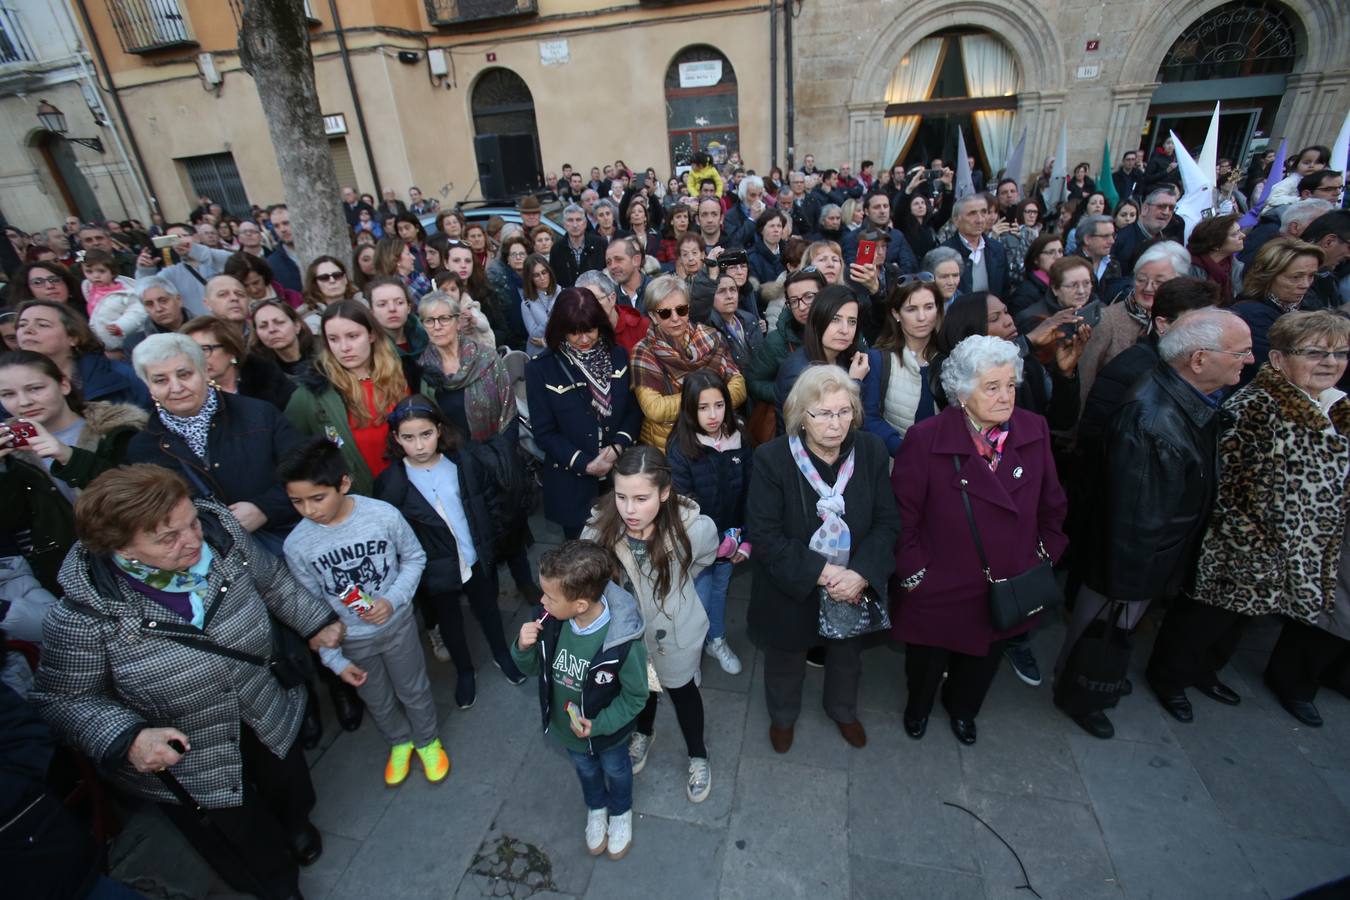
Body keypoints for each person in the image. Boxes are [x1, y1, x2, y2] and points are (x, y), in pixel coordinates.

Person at [31, 464, 342, 900]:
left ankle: (296, 825)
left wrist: (314, 621)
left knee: (287, 780)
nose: (193, 540)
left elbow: (272, 582)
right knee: (238, 832)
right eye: (167, 538)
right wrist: (129, 738)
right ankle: (277, 884)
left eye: (191, 522)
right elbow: (62, 700)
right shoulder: (84, 615)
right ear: (120, 547)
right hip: (191, 752)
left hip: (262, 702)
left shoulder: (220, 532)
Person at [893, 335, 1067, 744]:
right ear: (962, 393)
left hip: (1007, 581)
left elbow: (1053, 503)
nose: (1006, 396)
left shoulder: (1033, 429)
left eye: (1010, 384)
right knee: (926, 659)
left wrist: (1043, 554)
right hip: (940, 583)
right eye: (992, 387)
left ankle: (962, 711)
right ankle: (917, 708)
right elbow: (903, 516)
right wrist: (915, 573)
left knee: (983, 657)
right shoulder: (926, 437)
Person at [1186, 311, 1350, 728]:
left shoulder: (1337, 405)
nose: (1329, 362)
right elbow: (1235, 490)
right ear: (1277, 359)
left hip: (1298, 552)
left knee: (1237, 626)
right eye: (1315, 353)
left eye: (1339, 353)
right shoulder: (1255, 406)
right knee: (1206, 623)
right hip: (1249, 549)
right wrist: (1259, 548)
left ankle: (1204, 672)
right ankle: (1172, 678)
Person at [279, 438, 448, 786]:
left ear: (343, 483)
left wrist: (394, 599)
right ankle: (399, 741)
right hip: (352, 641)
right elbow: (311, 610)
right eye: (297, 502)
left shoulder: (382, 515)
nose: (309, 510)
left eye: (317, 498)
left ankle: (428, 739)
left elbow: (414, 558)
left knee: (413, 688)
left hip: (397, 625)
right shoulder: (296, 546)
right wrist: (335, 661)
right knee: (377, 697)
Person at [746, 365, 899, 751]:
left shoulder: (871, 451)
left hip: (853, 583)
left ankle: (843, 711)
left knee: (847, 656)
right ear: (800, 415)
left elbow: (887, 522)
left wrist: (860, 574)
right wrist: (825, 574)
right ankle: (783, 717)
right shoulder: (770, 459)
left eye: (844, 411)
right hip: (791, 584)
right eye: (824, 414)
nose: (836, 424)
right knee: (785, 659)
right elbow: (765, 536)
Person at [582, 446, 717, 803]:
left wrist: (678, 586)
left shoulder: (693, 528)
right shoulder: (601, 527)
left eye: (641, 498)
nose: (629, 509)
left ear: (665, 492)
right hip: (628, 636)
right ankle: (644, 733)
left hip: (674, 632)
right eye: (622, 496)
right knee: (641, 688)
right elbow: (584, 567)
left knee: (683, 693)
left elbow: (705, 556)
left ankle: (698, 755)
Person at [375, 397, 523, 705]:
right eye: (408, 437)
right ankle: (465, 672)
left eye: (426, 434)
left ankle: (501, 654)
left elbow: (488, 503)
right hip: (435, 568)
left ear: (439, 430)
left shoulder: (463, 462)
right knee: (450, 622)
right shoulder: (391, 483)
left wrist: (492, 542)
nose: (418, 445)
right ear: (395, 438)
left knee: (489, 610)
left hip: (474, 556)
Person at [511, 541, 648, 860]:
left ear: (581, 605)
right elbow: (533, 669)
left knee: (616, 770)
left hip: (608, 733)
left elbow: (635, 697)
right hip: (567, 731)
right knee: (586, 771)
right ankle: (596, 808)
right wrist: (522, 647)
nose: (541, 600)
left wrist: (599, 725)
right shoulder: (548, 621)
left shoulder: (622, 643)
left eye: (549, 596)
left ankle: (621, 811)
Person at [414, 292, 539, 602]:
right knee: (476, 528)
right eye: (430, 320)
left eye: (444, 318)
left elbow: (508, 409)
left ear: (458, 321)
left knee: (510, 524)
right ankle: (488, 593)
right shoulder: (423, 371)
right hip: (454, 466)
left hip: (496, 457)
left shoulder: (485, 359)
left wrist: (498, 456)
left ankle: (524, 581)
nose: (438, 325)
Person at [128, 332, 303, 549]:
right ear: (148, 386)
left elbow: (306, 472)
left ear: (204, 371)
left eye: (184, 374)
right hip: (213, 562)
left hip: (286, 544)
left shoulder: (258, 414)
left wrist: (264, 509)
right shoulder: (143, 448)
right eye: (160, 380)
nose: (176, 387)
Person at [0, 349, 147, 595]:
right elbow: (11, 522)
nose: (24, 402)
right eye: (8, 394)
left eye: (35, 388)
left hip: (136, 560)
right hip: (67, 577)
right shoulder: (11, 450)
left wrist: (66, 455)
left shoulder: (118, 430)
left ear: (64, 385)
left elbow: (139, 497)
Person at [525, 288, 641, 540]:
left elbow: (632, 412)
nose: (583, 338)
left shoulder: (618, 356)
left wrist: (617, 448)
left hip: (617, 478)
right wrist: (586, 463)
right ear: (560, 329)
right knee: (584, 560)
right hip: (573, 481)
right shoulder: (542, 369)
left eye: (589, 329)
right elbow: (544, 433)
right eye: (574, 332)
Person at [666, 370, 751, 676]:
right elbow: (683, 506)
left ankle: (715, 640)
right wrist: (714, 543)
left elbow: (751, 491)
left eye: (719, 405)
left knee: (719, 593)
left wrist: (746, 538)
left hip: (732, 539)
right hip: (698, 546)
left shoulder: (739, 436)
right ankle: (689, 656)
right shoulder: (679, 448)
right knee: (696, 600)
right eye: (703, 408)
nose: (713, 415)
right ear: (689, 409)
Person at [284, 300, 410, 495]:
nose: (344, 347)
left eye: (352, 336)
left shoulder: (403, 375)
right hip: (360, 501)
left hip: (411, 492)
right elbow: (292, 454)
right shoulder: (312, 394)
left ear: (371, 335)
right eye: (333, 339)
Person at [630, 275, 746, 451]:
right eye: (665, 313)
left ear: (689, 309)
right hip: (670, 445)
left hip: (718, 440)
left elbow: (739, 387)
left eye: (681, 310)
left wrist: (699, 402)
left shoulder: (712, 337)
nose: (675, 318)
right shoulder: (644, 351)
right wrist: (710, 401)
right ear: (653, 316)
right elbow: (655, 409)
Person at [14, 301, 149, 408]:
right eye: (22, 325)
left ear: (73, 337)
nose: (28, 330)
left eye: (43, 325)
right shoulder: (6, 383)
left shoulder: (121, 375)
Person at [861, 276, 942, 453]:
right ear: (896, 314)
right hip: (898, 466)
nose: (922, 317)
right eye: (911, 309)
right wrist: (904, 449)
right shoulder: (878, 359)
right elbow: (869, 418)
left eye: (929, 307)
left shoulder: (949, 357)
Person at [1233, 237, 1324, 387]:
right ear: (1268, 276)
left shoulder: (1307, 302)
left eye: (1311, 276)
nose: (1305, 284)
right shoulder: (1250, 315)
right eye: (1296, 277)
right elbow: (1285, 371)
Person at [182, 314, 296, 411]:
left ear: (231, 350)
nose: (198, 358)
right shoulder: (187, 395)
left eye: (205, 349)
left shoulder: (266, 377)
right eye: (191, 352)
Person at [747, 269, 824, 406]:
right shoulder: (777, 341)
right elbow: (754, 382)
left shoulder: (843, 330)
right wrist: (788, 393)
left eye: (809, 297)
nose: (801, 307)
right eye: (794, 301)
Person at [942, 195, 1009, 299]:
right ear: (956, 220)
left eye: (983, 212)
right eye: (972, 214)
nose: (980, 220)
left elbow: (1005, 290)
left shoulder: (997, 249)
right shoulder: (944, 253)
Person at [1112, 186, 1180, 277]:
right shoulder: (1121, 240)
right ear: (1144, 209)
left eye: (1171, 208)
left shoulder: (1168, 241)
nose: (1166, 212)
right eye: (1161, 206)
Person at [706, 271, 764, 375]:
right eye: (721, 291)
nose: (729, 296)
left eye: (733, 290)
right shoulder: (707, 327)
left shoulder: (750, 319)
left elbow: (762, 358)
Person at [577, 269, 646, 353]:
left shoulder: (641, 326)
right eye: (584, 302)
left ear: (612, 298)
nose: (590, 306)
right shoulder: (578, 336)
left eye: (596, 299)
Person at [249, 298, 317, 379]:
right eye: (263, 326)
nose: (272, 329)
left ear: (297, 326)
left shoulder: (324, 355)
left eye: (279, 322)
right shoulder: (258, 373)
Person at [1187, 213, 1246, 306]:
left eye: (1240, 231)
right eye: (1234, 234)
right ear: (1215, 245)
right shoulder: (1189, 270)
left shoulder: (1236, 267)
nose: (1243, 235)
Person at [1006, 234, 1064, 318]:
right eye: (1051, 252)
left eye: (1060, 251)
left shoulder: (1062, 282)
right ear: (1036, 259)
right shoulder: (1025, 293)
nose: (1058, 257)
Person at [551, 203, 607, 288]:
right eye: (570, 220)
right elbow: (555, 280)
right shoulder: (557, 249)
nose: (575, 225)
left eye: (578, 220)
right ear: (564, 224)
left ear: (585, 223)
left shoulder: (600, 244)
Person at [225, 252, 303, 310]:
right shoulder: (235, 311)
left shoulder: (292, 297)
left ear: (264, 275)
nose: (253, 290)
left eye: (256, 282)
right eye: (245, 286)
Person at [521, 253, 560, 358]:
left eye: (544, 272)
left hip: (561, 352)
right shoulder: (526, 303)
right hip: (539, 355)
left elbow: (567, 329)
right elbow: (534, 336)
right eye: (536, 275)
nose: (542, 278)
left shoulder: (562, 293)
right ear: (530, 278)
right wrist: (555, 316)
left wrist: (545, 340)